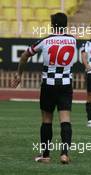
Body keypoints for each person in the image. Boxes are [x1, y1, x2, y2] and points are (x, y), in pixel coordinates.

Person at [11, 13, 77, 163]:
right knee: (65, 119)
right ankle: (64, 154)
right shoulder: (73, 40)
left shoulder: (45, 41)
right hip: (66, 84)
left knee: (47, 120)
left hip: (48, 85)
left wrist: (19, 74)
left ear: (52, 25)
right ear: (66, 25)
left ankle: (46, 155)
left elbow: (24, 56)